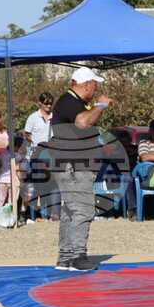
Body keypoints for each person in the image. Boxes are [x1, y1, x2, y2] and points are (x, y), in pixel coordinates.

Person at [50, 67, 112, 272]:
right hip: (74, 166)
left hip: (69, 164)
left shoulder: (70, 102)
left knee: (70, 210)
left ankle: (65, 257)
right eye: (94, 85)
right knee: (83, 209)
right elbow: (83, 122)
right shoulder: (69, 102)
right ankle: (78, 257)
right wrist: (100, 105)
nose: (96, 90)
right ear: (86, 85)